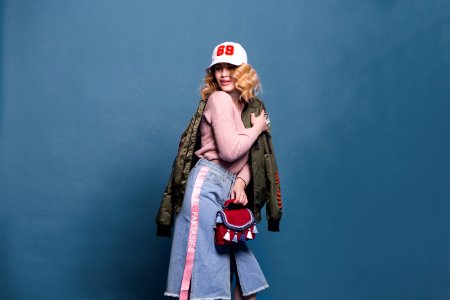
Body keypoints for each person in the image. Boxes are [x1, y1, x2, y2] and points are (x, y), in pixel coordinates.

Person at [156, 41, 282, 300]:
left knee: (244, 277)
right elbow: (229, 151)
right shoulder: (219, 99)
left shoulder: (250, 109)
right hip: (206, 188)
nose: (224, 74)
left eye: (231, 67)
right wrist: (257, 129)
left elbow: (249, 160)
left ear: (244, 71)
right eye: (218, 68)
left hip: (226, 189)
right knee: (208, 276)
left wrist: (239, 182)